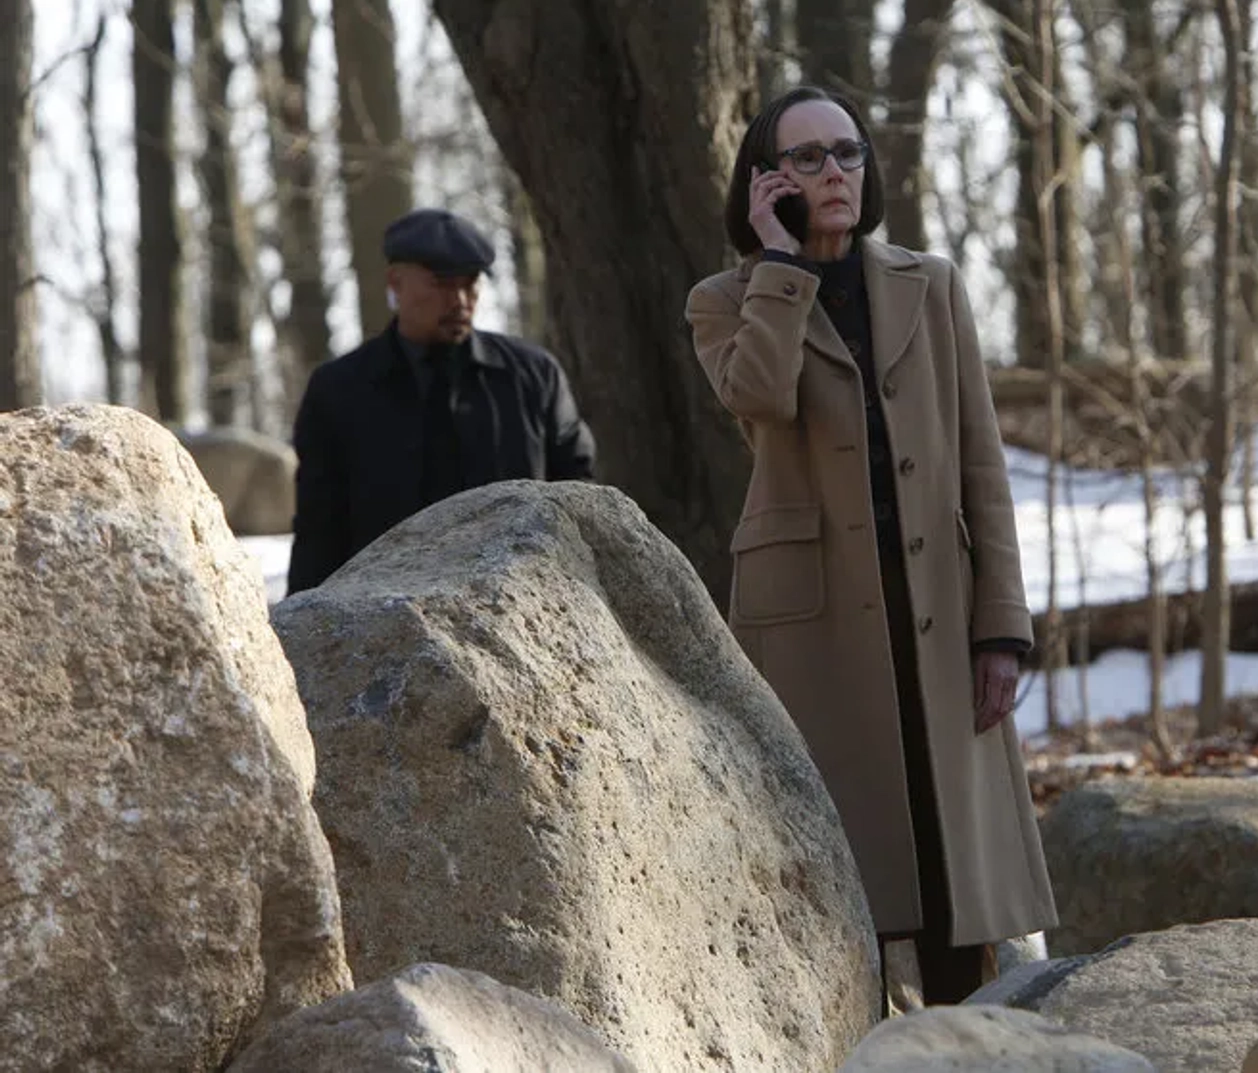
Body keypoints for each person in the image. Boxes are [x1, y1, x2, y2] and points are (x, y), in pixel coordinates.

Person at [684, 86, 1056, 1004]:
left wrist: (1001, 627)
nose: (834, 173)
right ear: (766, 183)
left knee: (952, 880)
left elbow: (981, 460)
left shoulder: (929, 285)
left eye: (845, 152)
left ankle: (968, 1051)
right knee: (836, 884)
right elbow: (758, 397)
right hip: (814, 624)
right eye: (806, 159)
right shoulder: (726, 298)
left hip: (937, 605)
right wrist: (779, 264)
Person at [286, 208, 595, 593]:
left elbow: (578, 499)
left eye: (471, 284)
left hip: (518, 603)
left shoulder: (533, 377)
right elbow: (319, 529)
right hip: (383, 610)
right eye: (444, 284)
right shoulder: (338, 389)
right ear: (395, 283)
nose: (461, 300)